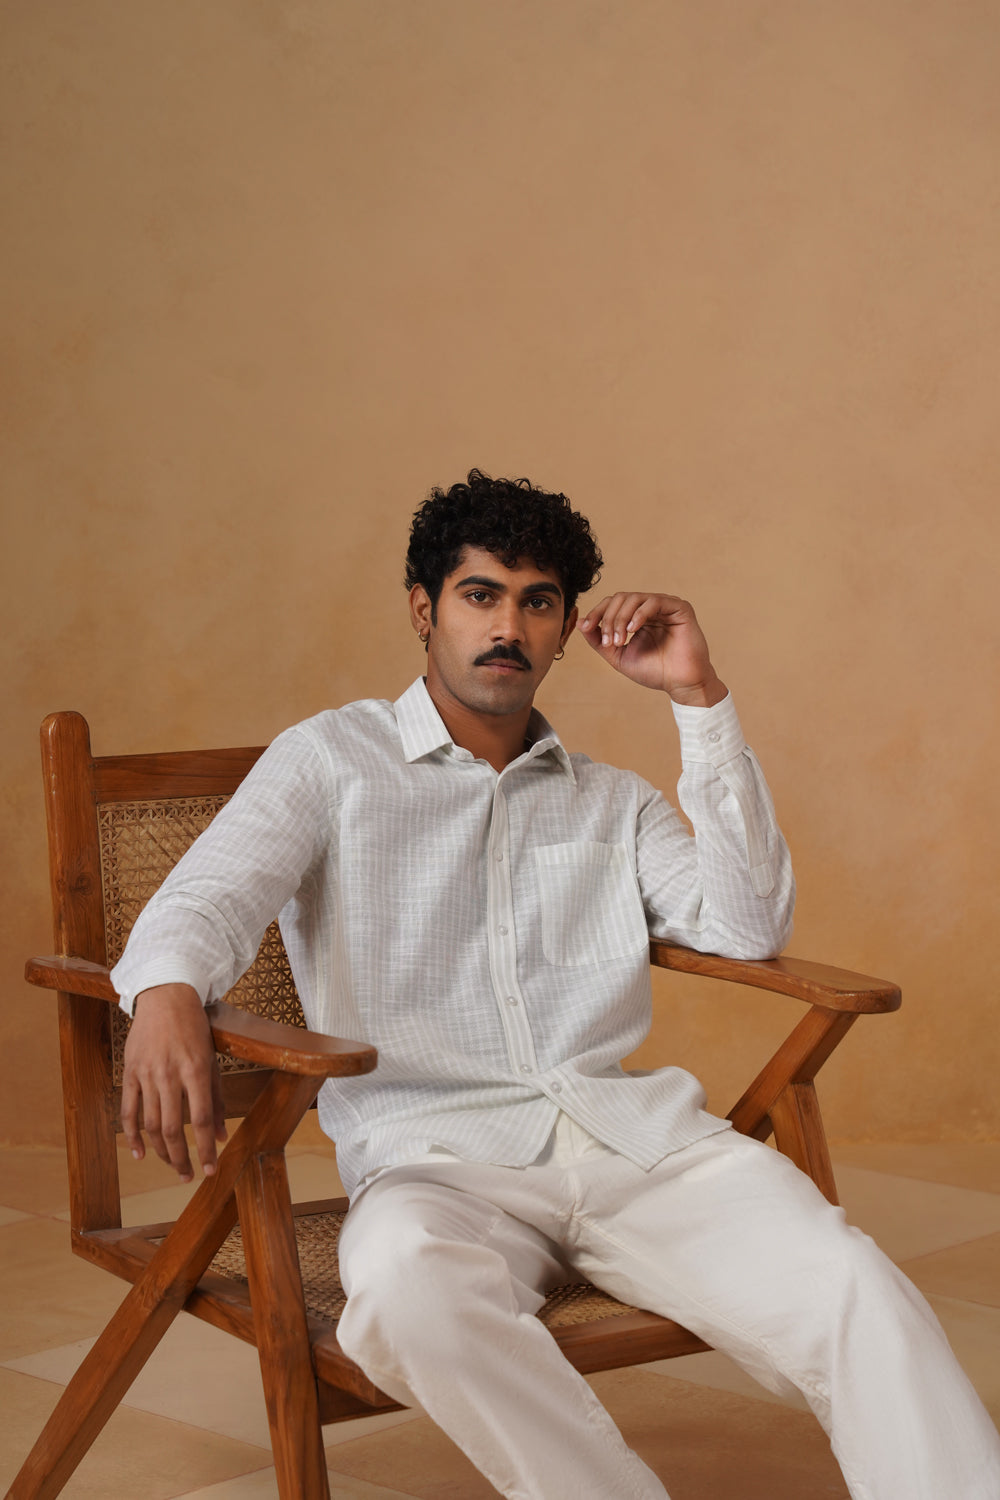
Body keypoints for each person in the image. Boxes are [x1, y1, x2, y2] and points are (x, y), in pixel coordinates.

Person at [113, 470, 1000, 1499]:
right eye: (479, 595)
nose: (508, 627)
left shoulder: (613, 802)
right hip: (437, 1166)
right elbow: (207, 897)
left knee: (852, 1285)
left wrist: (699, 699)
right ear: (424, 611)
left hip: (639, 1151)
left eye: (537, 602)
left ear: (566, 627)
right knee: (402, 1292)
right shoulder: (330, 760)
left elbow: (748, 929)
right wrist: (165, 990)